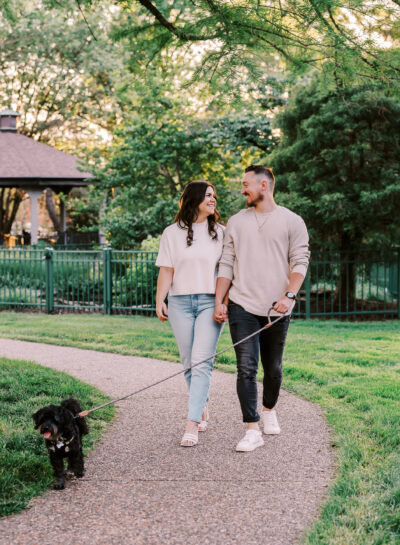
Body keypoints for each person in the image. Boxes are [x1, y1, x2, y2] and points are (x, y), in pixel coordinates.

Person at [214, 165, 310, 452]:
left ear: (264, 186)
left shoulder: (292, 221)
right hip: (242, 304)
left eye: (246, 184)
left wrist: (289, 295)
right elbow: (227, 263)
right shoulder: (237, 221)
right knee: (245, 367)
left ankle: (269, 409)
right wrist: (221, 299)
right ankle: (252, 428)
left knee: (274, 368)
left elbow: (300, 261)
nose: (242, 189)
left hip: (276, 308)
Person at [155, 181, 225, 447]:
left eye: (214, 196)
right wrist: (160, 299)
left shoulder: (222, 233)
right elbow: (166, 270)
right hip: (179, 302)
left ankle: (192, 423)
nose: (213, 199)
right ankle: (202, 405)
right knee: (188, 361)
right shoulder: (172, 233)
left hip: (210, 301)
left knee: (201, 361)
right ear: (194, 198)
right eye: (208, 195)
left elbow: (227, 272)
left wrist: (223, 302)